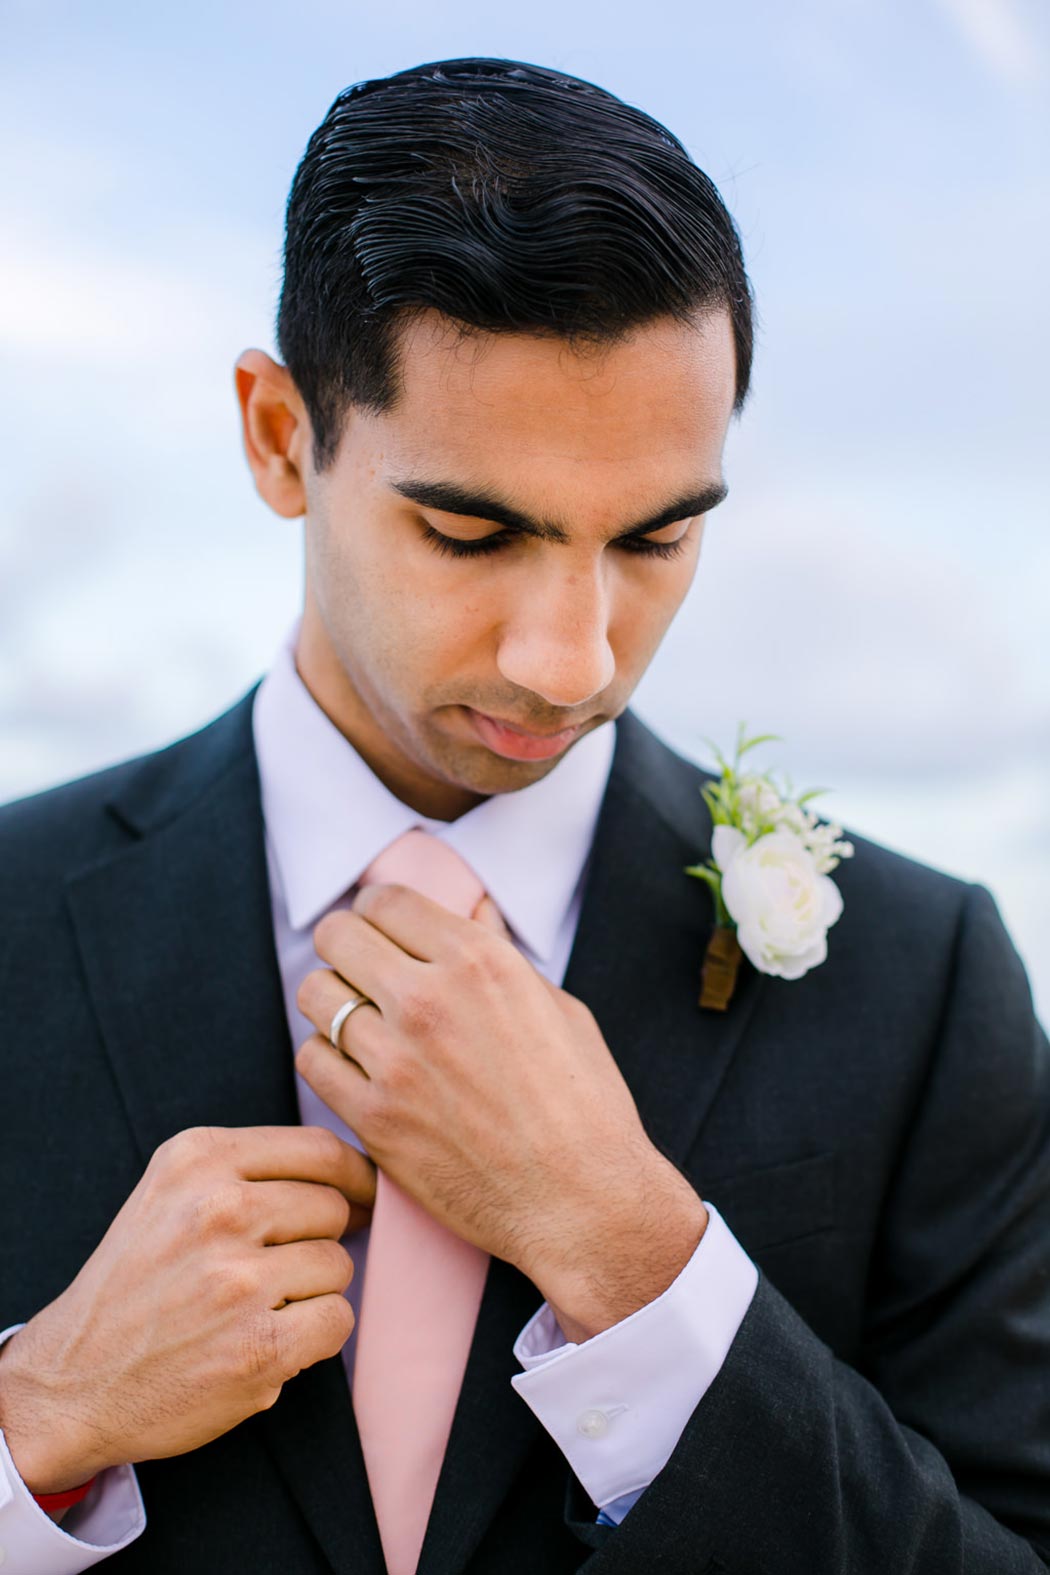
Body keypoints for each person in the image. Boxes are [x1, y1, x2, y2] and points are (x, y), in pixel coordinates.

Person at [0, 53, 1047, 1575]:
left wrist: (635, 1262)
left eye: (657, 537)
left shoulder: (922, 975)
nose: (573, 658)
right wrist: (38, 1416)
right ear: (281, 437)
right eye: (470, 530)